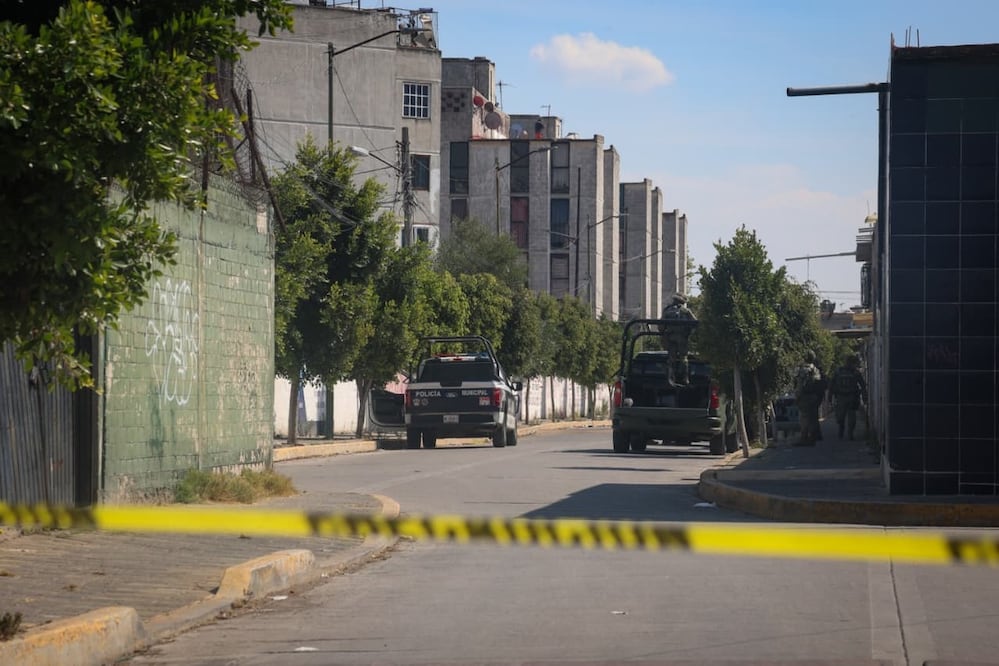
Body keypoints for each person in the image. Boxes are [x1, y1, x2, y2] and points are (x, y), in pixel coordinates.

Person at [827, 354, 868, 440]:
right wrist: (829, 396)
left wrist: (864, 397)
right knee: (841, 417)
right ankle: (844, 428)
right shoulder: (840, 371)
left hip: (849, 397)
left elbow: (862, 385)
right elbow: (831, 384)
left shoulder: (852, 372)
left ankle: (849, 433)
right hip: (844, 396)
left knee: (849, 417)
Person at [660, 294, 697, 384]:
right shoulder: (686, 311)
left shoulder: (667, 310)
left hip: (670, 337)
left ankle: (670, 378)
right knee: (684, 358)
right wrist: (689, 332)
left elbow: (661, 326)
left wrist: (664, 333)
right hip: (682, 338)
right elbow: (695, 322)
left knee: (671, 358)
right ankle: (685, 378)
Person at [793, 350, 823, 446]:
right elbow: (819, 383)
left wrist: (797, 396)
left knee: (804, 417)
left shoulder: (802, 369)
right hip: (814, 396)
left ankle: (804, 438)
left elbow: (800, 385)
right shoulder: (815, 369)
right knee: (813, 417)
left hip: (804, 397)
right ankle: (813, 437)